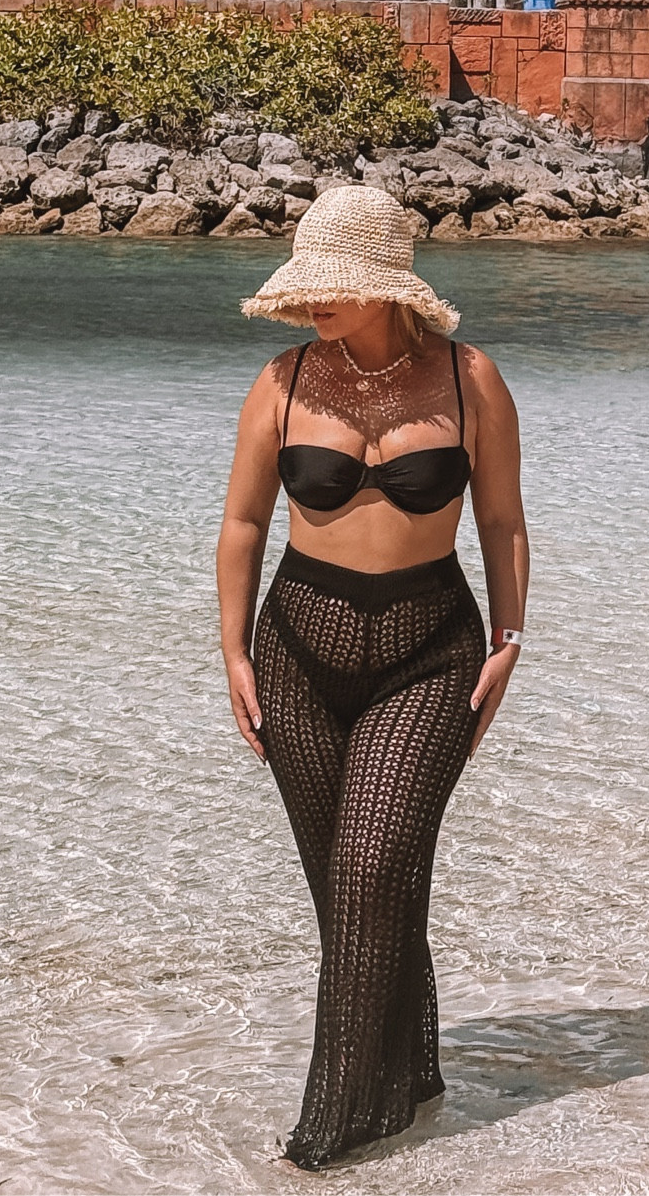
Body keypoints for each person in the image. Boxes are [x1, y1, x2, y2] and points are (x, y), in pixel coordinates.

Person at [216, 183, 529, 1170]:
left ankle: (333, 1132)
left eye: (333, 289)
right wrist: (230, 649)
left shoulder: (469, 378)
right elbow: (244, 525)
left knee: (370, 867)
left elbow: (502, 523)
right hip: (296, 654)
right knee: (345, 890)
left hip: (428, 652)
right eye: (305, 287)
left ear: (388, 288)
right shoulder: (283, 380)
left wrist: (511, 636)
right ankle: (412, 1076)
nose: (314, 304)